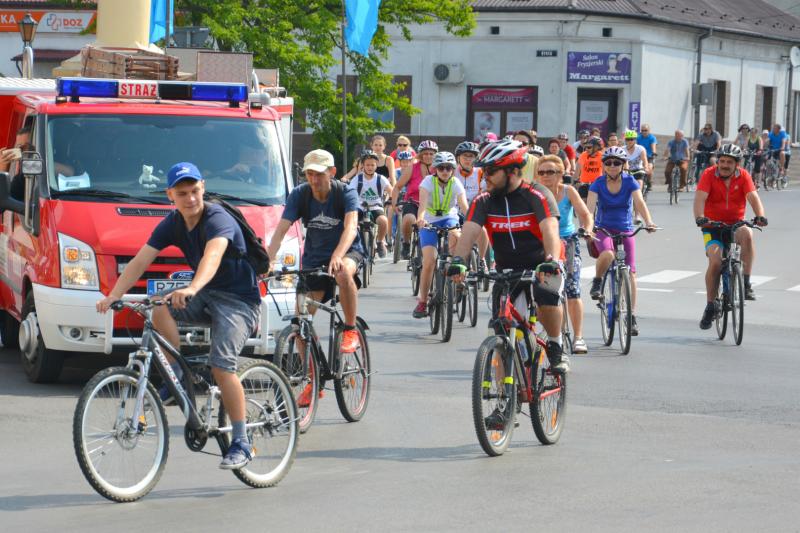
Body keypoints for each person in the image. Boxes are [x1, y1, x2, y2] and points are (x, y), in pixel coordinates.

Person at [96, 162, 262, 470]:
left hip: (239, 301)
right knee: (157, 305)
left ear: (203, 188)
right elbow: (140, 261)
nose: (191, 199)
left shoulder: (217, 217)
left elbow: (213, 255)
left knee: (222, 366)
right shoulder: (172, 223)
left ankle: (241, 441)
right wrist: (114, 295)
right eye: (182, 194)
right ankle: (177, 376)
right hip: (205, 294)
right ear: (170, 195)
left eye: (195, 191)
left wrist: (193, 287)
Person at [448, 139, 570, 374]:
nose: (485, 177)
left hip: (542, 263)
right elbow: (469, 232)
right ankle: (504, 393)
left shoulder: (537, 194)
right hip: (507, 268)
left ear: (512, 171)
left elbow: (550, 229)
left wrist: (552, 260)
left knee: (546, 295)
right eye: (484, 171)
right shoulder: (483, 200)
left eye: (491, 171)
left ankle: (556, 346)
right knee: (501, 328)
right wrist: (458, 261)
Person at [267, 148, 364, 356]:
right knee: (300, 323)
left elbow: (351, 227)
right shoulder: (300, 194)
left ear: (332, 172)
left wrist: (337, 255)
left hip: (347, 251)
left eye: (319, 174)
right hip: (315, 258)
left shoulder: (345, 193)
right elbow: (281, 230)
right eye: (309, 174)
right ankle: (312, 375)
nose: (313, 179)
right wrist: (269, 259)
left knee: (342, 272)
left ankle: (350, 329)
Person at [694, 144, 768, 328]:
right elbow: (700, 199)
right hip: (711, 226)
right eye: (722, 161)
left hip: (735, 224)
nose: (725, 165)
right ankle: (710, 305)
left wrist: (760, 215)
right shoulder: (708, 174)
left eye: (729, 162)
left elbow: (753, 197)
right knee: (715, 262)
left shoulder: (743, 176)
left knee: (748, 233)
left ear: (737, 164)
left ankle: (746, 283)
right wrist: (700, 217)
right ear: (718, 161)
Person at [587, 146, 658, 336]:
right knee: (608, 254)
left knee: (631, 272)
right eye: (608, 162)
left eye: (617, 163)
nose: (612, 166)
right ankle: (597, 281)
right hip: (602, 228)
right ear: (603, 165)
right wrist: (588, 228)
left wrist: (649, 222)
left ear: (623, 165)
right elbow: (589, 210)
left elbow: (639, 202)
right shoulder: (597, 183)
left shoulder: (630, 181)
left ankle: (631, 316)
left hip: (625, 229)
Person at [535, 155, 594, 354]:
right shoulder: (534, 193)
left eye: (550, 172)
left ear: (560, 174)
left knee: (572, 289)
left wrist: (587, 229)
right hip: (542, 243)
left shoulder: (568, 191)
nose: (545, 176)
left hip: (567, 242)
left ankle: (578, 337)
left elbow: (585, 215)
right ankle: (549, 332)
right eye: (541, 172)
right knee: (539, 290)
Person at [412, 151, 469, 318]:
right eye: (441, 168)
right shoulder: (427, 182)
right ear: (435, 169)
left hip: (449, 218)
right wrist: (420, 219)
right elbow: (422, 206)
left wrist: (473, 220)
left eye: (448, 168)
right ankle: (423, 301)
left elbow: (464, 206)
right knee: (429, 261)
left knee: (456, 236)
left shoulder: (456, 183)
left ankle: (457, 274)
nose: (445, 171)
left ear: (453, 170)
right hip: (429, 221)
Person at [392, 140, 438, 259]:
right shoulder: (412, 168)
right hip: (413, 202)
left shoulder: (440, 169)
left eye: (431, 154)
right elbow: (397, 187)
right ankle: (406, 243)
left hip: (431, 205)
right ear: (420, 155)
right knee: (409, 219)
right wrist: (394, 204)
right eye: (425, 153)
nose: (428, 156)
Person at [347, 150, 393, 257]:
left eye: (372, 165)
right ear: (362, 165)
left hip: (375, 207)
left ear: (376, 165)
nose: (370, 167)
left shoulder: (380, 178)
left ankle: (380, 241)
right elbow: (350, 191)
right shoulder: (357, 179)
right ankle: (353, 244)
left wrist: (390, 199)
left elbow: (390, 190)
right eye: (367, 165)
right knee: (352, 222)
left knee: (383, 221)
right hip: (360, 207)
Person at [454, 141, 490, 269]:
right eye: (465, 156)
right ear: (458, 158)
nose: (468, 159)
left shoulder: (480, 172)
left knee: (483, 230)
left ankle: (482, 260)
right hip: (455, 211)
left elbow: (486, 191)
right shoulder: (452, 172)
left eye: (471, 156)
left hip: (474, 210)